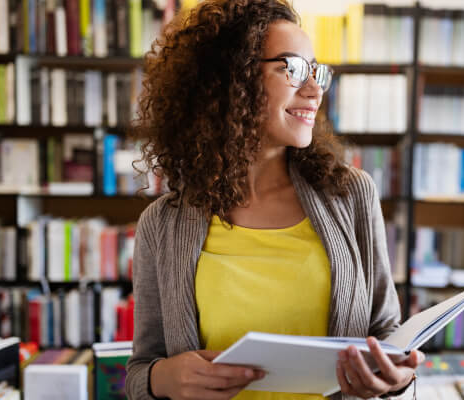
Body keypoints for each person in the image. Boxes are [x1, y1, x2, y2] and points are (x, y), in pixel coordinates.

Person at [125, 0, 424, 399]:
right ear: (231, 79)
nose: (315, 89)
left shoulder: (351, 194)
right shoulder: (162, 224)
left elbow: (387, 333)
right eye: (294, 69)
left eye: (316, 71)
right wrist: (163, 379)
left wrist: (397, 380)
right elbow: (140, 369)